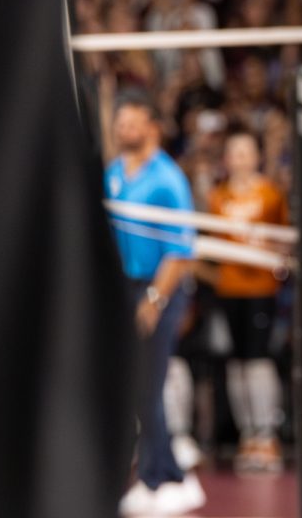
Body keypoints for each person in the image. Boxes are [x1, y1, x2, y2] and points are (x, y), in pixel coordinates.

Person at [106, 92, 206, 515]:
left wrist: (154, 298)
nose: (122, 130)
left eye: (131, 123)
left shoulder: (168, 178)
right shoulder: (115, 172)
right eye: (119, 122)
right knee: (133, 387)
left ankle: (156, 477)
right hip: (124, 285)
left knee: (149, 384)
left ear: (151, 126)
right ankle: (168, 474)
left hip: (157, 288)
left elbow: (180, 250)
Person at [205, 129, 290, 474]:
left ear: (256, 157)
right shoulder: (218, 196)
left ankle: (267, 433)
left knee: (258, 360)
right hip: (229, 289)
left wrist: (266, 247)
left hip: (261, 290)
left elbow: (285, 242)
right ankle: (247, 433)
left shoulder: (271, 195)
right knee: (237, 362)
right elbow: (212, 243)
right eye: (233, 152)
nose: (239, 158)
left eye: (245, 151)